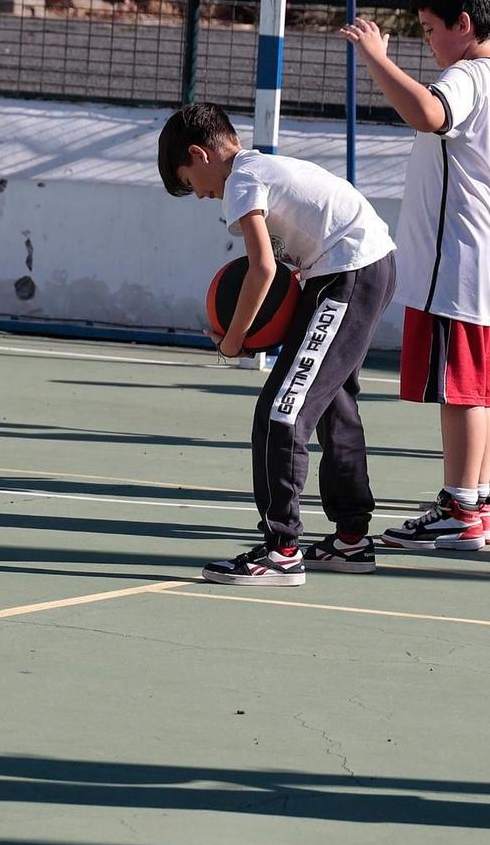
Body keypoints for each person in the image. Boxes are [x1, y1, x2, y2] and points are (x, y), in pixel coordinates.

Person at [340, 0, 490, 551]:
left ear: (463, 23)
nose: (427, 41)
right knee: (479, 390)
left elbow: (429, 113)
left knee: (460, 392)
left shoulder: (472, 77)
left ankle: (458, 507)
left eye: (431, 29)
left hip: (456, 256)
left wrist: (377, 57)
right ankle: (476, 503)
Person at [159, 103, 398, 585]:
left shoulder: (242, 179)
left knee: (281, 411)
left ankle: (281, 549)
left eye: (190, 183)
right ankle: (351, 540)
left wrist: (232, 342)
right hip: (360, 267)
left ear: (199, 154)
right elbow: (283, 275)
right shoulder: (262, 167)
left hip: (346, 272)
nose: (200, 196)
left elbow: (262, 269)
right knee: (333, 406)